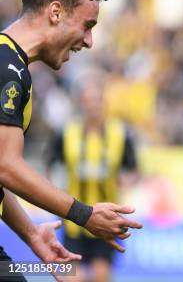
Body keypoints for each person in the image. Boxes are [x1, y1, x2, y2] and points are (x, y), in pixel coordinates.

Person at [0, 0, 143, 281]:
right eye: (88, 25)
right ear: (55, 13)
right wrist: (84, 214)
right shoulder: (6, 69)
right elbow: (5, 165)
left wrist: (32, 235)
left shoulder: (11, 64)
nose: (89, 41)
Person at [47, 78, 139, 282]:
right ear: (81, 103)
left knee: (100, 276)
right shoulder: (66, 133)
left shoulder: (120, 133)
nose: (92, 105)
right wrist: (55, 189)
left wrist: (126, 182)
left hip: (107, 218)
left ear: (103, 103)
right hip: (73, 219)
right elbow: (51, 165)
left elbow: (133, 170)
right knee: (74, 278)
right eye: (88, 100)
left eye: (96, 100)